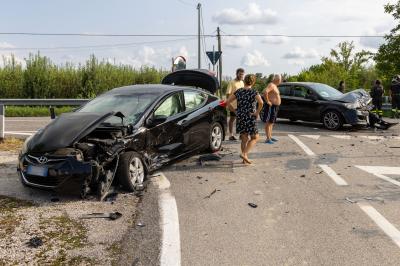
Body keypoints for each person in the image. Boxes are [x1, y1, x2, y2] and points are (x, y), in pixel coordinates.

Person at [226, 74, 263, 165]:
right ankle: (244, 154)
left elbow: (227, 102)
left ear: (244, 81)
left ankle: (244, 159)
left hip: (240, 117)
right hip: (250, 117)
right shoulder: (254, 92)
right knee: (255, 137)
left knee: (244, 138)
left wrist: (235, 112)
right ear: (253, 82)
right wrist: (257, 113)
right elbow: (261, 102)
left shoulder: (239, 91)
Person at [261, 74, 282, 144]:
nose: (281, 81)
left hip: (275, 107)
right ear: (277, 80)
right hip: (271, 106)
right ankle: (267, 138)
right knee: (269, 122)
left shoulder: (274, 86)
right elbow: (265, 92)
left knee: (271, 122)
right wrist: (267, 101)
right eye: (280, 79)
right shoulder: (271, 85)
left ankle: (270, 136)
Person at [226, 68, 245, 141]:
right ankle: (231, 135)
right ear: (237, 74)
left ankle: (241, 135)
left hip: (241, 104)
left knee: (241, 120)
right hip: (233, 105)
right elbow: (228, 94)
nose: (241, 75)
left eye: (242, 74)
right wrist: (228, 104)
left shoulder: (242, 82)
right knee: (232, 119)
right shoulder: (232, 82)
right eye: (240, 74)